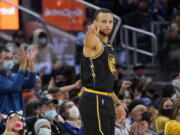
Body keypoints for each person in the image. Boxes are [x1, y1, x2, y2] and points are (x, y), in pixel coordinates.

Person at [79, 8, 122, 135]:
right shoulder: (95, 44)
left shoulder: (109, 47)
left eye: (110, 22)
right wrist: (91, 34)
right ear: (95, 23)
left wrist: (118, 104)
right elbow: (88, 44)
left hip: (105, 98)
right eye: (103, 21)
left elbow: (107, 86)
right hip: (94, 98)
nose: (108, 25)